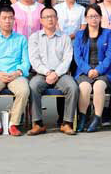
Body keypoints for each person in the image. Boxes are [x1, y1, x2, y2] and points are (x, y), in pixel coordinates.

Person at [27, 7, 78, 135]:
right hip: (41, 74)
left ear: (57, 19)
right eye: (46, 17)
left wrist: (56, 73)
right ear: (41, 20)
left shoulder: (65, 38)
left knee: (72, 87)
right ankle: (38, 123)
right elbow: (34, 60)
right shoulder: (34, 38)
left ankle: (67, 123)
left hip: (61, 74)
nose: (50, 19)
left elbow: (67, 59)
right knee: (33, 86)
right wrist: (47, 72)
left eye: (52, 16)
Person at [0, 6, 31, 137]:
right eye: (4, 18)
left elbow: (26, 62)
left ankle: (13, 124)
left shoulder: (21, 39)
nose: (8, 21)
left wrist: (17, 72)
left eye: (10, 18)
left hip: (15, 74)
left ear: (14, 20)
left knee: (24, 90)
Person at [73, 5, 111, 133]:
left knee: (98, 86)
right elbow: (77, 57)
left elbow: (109, 55)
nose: (93, 19)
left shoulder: (107, 33)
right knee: (84, 87)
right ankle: (83, 117)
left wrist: (98, 70)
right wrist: (88, 70)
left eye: (96, 16)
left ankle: (97, 118)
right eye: (90, 16)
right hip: (85, 71)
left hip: (103, 71)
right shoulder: (79, 35)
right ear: (86, 18)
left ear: (100, 17)